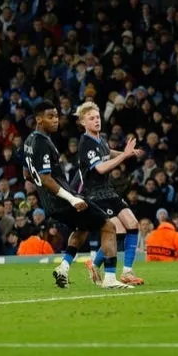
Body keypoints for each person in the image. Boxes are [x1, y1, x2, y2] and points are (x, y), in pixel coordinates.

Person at [24, 101, 129, 289]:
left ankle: (63, 268)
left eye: (56, 116)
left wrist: (43, 189)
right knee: (109, 226)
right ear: (38, 119)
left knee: (82, 228)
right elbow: (45, 178)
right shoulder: (42, 142)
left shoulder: (29, 141)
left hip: (50, 202)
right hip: (62, 198)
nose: (55, 120)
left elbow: (27, 173)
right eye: (50, 117)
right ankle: (110, 279)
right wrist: (71, 198)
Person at [74, 102, 145, 286]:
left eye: (98, 117)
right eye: (91, 118)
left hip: (108, 190)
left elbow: (107, 152)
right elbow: (100, 168)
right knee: (117, 230)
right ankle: (104, 271)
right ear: (83, 122)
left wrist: (127, 153)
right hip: (94, 194)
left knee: (132, 224)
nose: (96, 120)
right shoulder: (85, 144)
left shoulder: (101, 138)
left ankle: (127, 272)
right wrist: (124, 156)